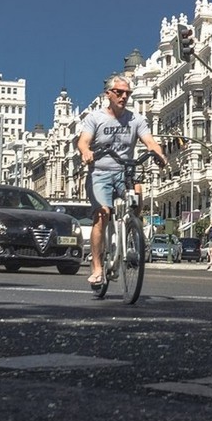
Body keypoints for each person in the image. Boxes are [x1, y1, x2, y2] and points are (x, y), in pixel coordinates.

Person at [76, 74, 166, 286]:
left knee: (137, 197)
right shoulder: (95, 118)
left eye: (127, 93)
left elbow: (150, 142)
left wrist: (159, 154)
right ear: (108, 94)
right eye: (119, 92)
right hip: (100, 173)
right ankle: (97, 268)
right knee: (102, 214)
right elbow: (83, 142)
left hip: (125, 172)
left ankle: (130, 233)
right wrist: (86, 152)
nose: (124, 97)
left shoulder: (136, 120)